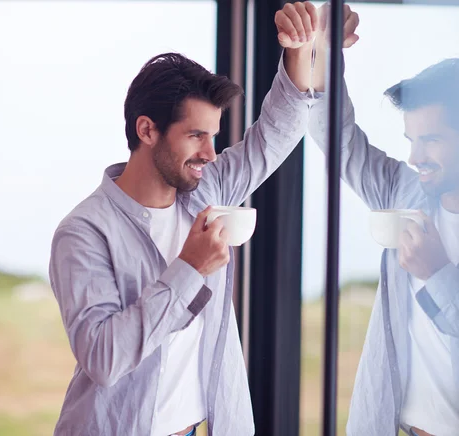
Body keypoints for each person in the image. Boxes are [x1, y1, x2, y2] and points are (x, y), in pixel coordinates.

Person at [49, 3, 358, 435]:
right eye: (196, 136)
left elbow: (274, 134)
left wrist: (303, 51)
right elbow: (102, 358)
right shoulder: (83, 233)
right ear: (146, 130)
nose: (210, 154)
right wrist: (189, 269)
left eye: (212, 136)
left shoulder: (204, 194)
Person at [285, 6, 459, 436]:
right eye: (411, 140)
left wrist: (437, 274)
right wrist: (325, 55)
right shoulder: (406, 192)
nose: (416, 157)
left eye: (431, 140)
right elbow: (339, 140)